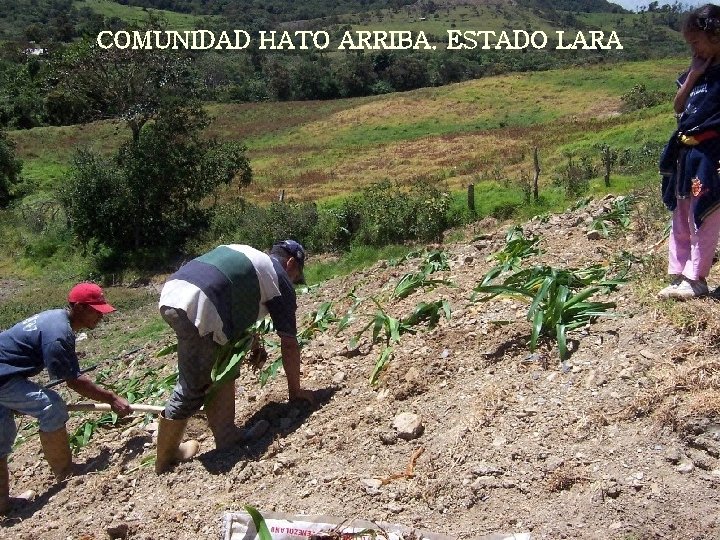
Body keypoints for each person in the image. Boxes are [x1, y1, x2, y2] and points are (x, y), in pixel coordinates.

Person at [155, 240, 315, 473]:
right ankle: (165, 460)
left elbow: (233, 299)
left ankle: (226, 435)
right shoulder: (279, 279)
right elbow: (289, 343)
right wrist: (296, 391)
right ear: (290, 263)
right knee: (193, 386)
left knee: (223, 365)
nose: (293, 282)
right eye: (296, 276)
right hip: (199, 303)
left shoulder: (251, 258)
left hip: (175, 291)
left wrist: (253, 343)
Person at [0, 283, 132, 514]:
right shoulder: (58, 334)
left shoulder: (57, 319)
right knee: (51, 407)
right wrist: (111, 398)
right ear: (79, 307)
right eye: (96, 310)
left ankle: (1, 504)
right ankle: (66, 472)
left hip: (6, 375)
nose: (101, 315)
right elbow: (73, 381)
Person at [659, 4, 720, 300]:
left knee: (704, 215)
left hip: (712, 155)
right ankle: (680, 273)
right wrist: (694, 75)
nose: (693, 48)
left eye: (696, 42)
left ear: (716, 37)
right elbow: (678, 106)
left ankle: (697, 279)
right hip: (687, 155)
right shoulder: (697, 73)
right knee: (682, 214)